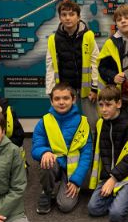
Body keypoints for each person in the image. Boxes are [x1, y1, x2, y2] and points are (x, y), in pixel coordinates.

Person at [87, 85, 128, 222]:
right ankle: (120, 195)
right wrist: (108, 178)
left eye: (108, 105)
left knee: (116, 215)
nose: (104, 109)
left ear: (118, 104)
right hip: (110, 175)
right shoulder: (100, 124)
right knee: (93, 208)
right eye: (101, 105)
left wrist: (114, 179)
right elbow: (99, 153)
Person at [31, 83, 93, 214]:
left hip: (73, 170)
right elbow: (36, 147)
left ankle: (63, 186)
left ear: (73, 99)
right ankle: (47, 191)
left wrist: (76, 180)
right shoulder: (44, 122)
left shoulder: (83, 122)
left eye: (66, 98)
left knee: (65, 206)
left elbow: (86, 154)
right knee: (46, 162)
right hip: (54, 165)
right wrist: (44, 152)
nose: (61, 102)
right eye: (57, 99)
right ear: (51, 101)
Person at [46, 0, 100, 136]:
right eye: (64, 15)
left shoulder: (88, 36)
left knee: (93, 123)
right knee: (67, 124)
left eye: (71, 14)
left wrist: (95, 88)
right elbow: (50, 66)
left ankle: (94, 148)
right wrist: (51, 91)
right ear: (60, 18)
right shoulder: (53, 39)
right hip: (65, 88)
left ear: (78, 16)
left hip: (87, 89)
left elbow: (95, 62)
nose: (68, 18)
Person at [97, 4, 128, 125]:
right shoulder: (110, 43)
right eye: (119, 19)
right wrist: (113, 76)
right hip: (119, 98)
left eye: (127, 18)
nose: (123, 21)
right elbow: (102, 68)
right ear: (116, 24)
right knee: (119, 128)